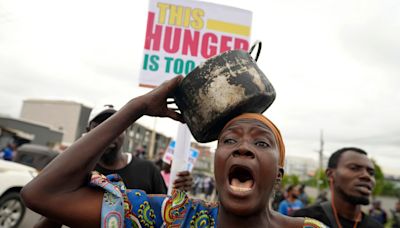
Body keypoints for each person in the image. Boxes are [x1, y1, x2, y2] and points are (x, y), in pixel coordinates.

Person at [21, 76, 326, 227]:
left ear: (279, 175)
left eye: (261, 143)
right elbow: (44, 195)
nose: (243, 147)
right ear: (218, 166)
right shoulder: (174, 218)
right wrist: (136, 107)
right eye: (229, 141)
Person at [33, 103, 192, 228]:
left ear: (125, 131)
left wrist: (178, 191)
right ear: (88, 132)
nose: (108, 133)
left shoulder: (148, 170)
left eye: (114, 126)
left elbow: (166, 215)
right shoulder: (78, 173)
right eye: (100, 127)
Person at [293, 147, 383, 228]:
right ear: (330, 174)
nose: (367, 176)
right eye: (354, 168)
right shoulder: (303, 221)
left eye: (371, 173)